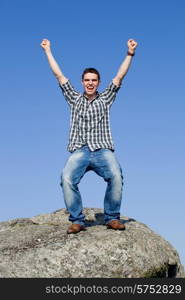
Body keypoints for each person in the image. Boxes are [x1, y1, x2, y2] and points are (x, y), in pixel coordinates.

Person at [40, 38, 138, 234]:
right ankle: (77, 220)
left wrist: (130, 53)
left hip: (102, 149)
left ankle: (111, 218)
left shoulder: (106, 98)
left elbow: (119, 76)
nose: (90, 83)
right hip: (81, 150)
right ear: (82, 82)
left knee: (116, 176)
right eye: (87, 80)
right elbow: (59, 75)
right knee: (66, 178)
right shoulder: (74, 99)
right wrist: (48, 51)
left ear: (98, 82)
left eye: (94, 80)